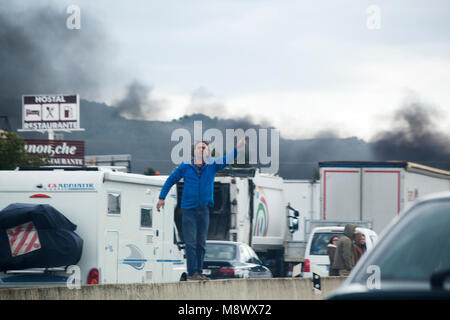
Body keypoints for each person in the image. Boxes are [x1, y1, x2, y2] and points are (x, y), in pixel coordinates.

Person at [156, 138, 246, 281]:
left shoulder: (212, 166)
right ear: (194, 151)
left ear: (208, 152)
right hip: (188, 210)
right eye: (199, 147)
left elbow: (227, 159)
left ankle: (198, 271)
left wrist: (238, 147)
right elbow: (171, 180)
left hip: (203, 210)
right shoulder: (185, 166)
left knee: (201, 243)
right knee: (190, 243)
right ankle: (192, 273)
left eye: (205, 147)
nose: (202, 149)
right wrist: (162, 197)